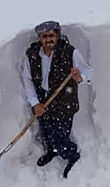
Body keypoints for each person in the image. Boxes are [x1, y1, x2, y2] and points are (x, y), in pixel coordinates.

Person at [19, 21, 93, 178]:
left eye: (51, 35)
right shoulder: (31, 55)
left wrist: (79, 77)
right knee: (46, 132)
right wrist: (35, 103)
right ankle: (52, 151)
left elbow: (88, 72)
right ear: (39, 38)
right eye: (44, 36)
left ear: (57, 35)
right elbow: (28, 80)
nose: (48, 39)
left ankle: (71, 155)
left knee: (60, 136)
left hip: (64, 103)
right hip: (43, 103)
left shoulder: (69, 52)